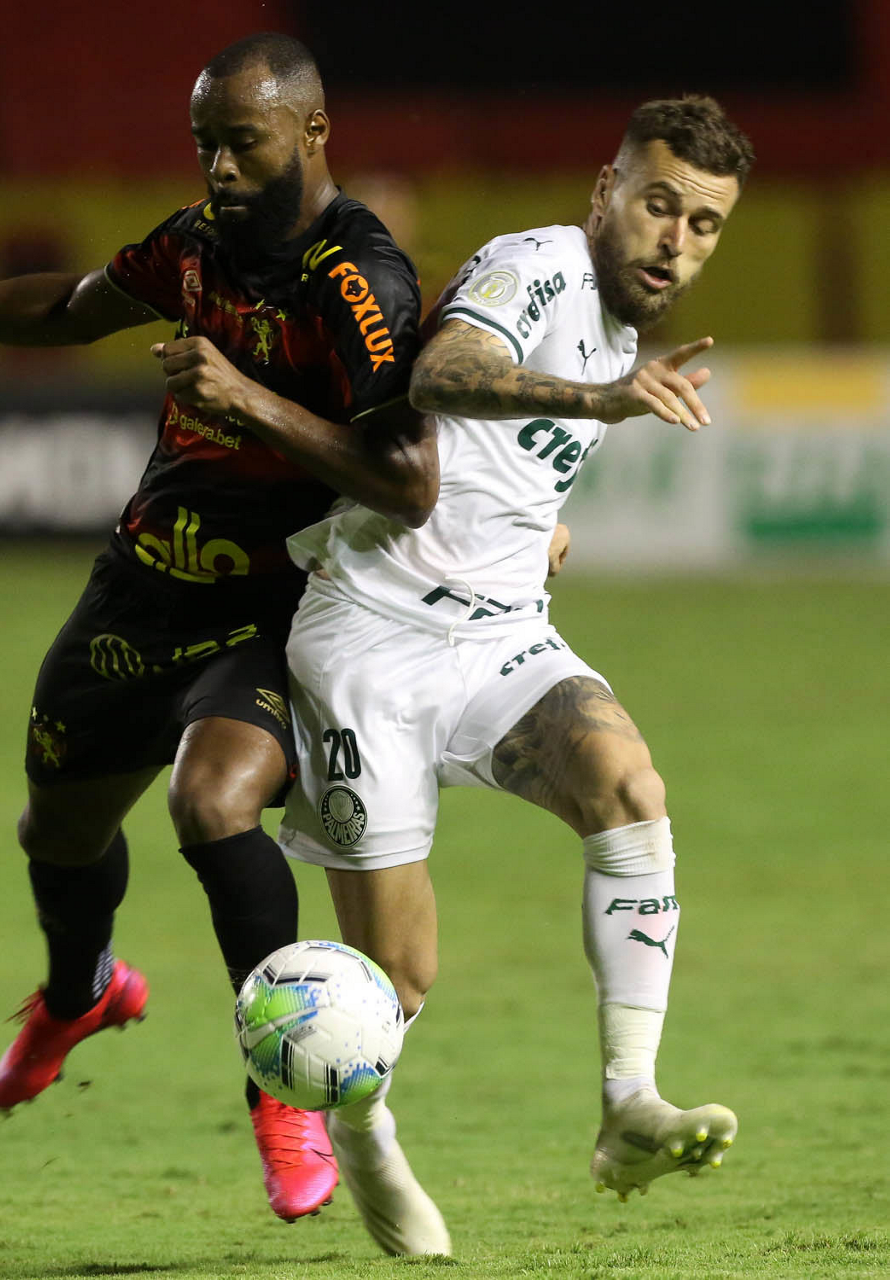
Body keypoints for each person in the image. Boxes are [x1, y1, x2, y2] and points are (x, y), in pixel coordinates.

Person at [0, 33, 439, 1225]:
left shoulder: (359, 281)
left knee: (211, 802)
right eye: (205, 145)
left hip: (271, 607)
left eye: (242, 143)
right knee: (59, 830)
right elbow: (73, 307)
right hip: (142, 585)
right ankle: (80, 992)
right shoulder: (197, 243)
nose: (219, 168)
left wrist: (245, 398)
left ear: (313, 132)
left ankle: (280, 1090)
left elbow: (408, 478)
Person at [276, 96, 754, 1254]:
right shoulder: (538, 263)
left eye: (701, 224)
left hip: (499, 639)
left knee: (628, 786)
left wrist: (539, 528)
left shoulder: (620, 335)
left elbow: (496, 464)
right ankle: (363, 1130)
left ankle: (628, 1105)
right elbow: (446, 373)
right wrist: (596, 402)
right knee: (398, 980)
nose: (673, 239)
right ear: (604, 193)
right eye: (656, 204)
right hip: (369, 641)